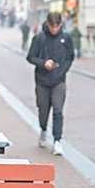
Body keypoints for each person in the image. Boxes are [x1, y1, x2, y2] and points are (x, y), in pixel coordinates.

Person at [26, 11, 74, 155]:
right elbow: (30, 57)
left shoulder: (66, 38)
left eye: (57, 26)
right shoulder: (39, 38)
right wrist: (43, 63)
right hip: (42, 81)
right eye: (52, 26)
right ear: (47, 24)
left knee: (58, 110)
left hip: (59, 81)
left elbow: (70, 57)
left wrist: (62, 71)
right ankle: (43, 129)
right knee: (43, 109)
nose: (54, 29)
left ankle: (57, 141)